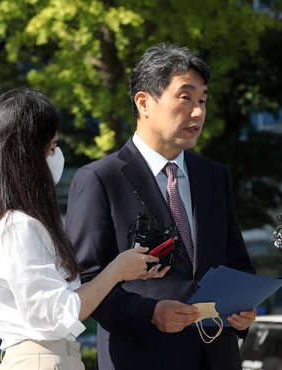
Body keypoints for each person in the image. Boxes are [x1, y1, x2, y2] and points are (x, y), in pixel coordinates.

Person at [0, 87, 167, 369]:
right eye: (50, 147)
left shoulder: (15, 224)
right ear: (24, 154)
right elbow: (55, 315)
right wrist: (115, 272)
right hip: (42, 358)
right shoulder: (17, 227)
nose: (56, 156)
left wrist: (124, 272)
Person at [66, 43, 256, 370]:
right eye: (185, 98)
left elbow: (236, 261)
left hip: (217, 355)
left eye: (202, 101)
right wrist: (149, 313)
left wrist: (243, 309)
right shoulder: (99, 178)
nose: (197, 112)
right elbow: (86, 279)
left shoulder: (214, 175)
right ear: (144, 103)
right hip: (141, 356)